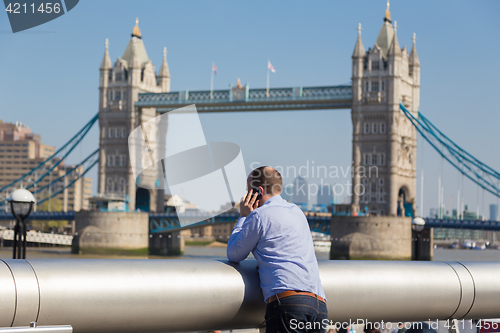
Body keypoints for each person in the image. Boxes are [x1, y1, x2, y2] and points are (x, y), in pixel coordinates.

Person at [227, 166, 327, 333]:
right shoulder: (297, 212)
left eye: (248, 192)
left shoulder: (259, 216)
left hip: (288, 306)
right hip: (319, 306)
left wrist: (243, 216)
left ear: (258, 192)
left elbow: (234, 253)